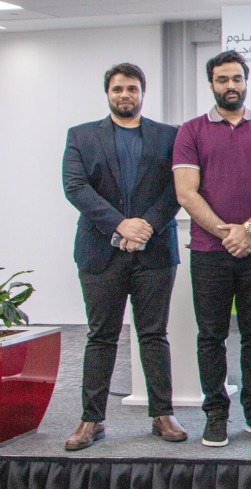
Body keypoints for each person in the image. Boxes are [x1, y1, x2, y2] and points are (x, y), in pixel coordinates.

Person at [61, 63, 185, 450]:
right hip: (100, 252)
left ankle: (162, 414)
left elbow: (178, 189)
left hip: (155, 251)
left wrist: (144, 225)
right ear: (108, 93)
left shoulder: (169, 136)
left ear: (142, 93)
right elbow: (75, 187)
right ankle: (91, 420)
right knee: (101, 336)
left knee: (153, 335)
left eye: (132, 88)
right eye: (118, 89)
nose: (125, 95)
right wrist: (120, 225)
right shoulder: (81, 136)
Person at [173, 50, 251, 448]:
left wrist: (250, 228)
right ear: (211, 84)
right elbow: (186, 193)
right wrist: (228, 233)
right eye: (222, 79)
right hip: (209, 252)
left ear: (246, 81)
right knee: (211, 336)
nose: (231, 86)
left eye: (237, 78)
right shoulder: (190, 132)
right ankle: (216, 414)